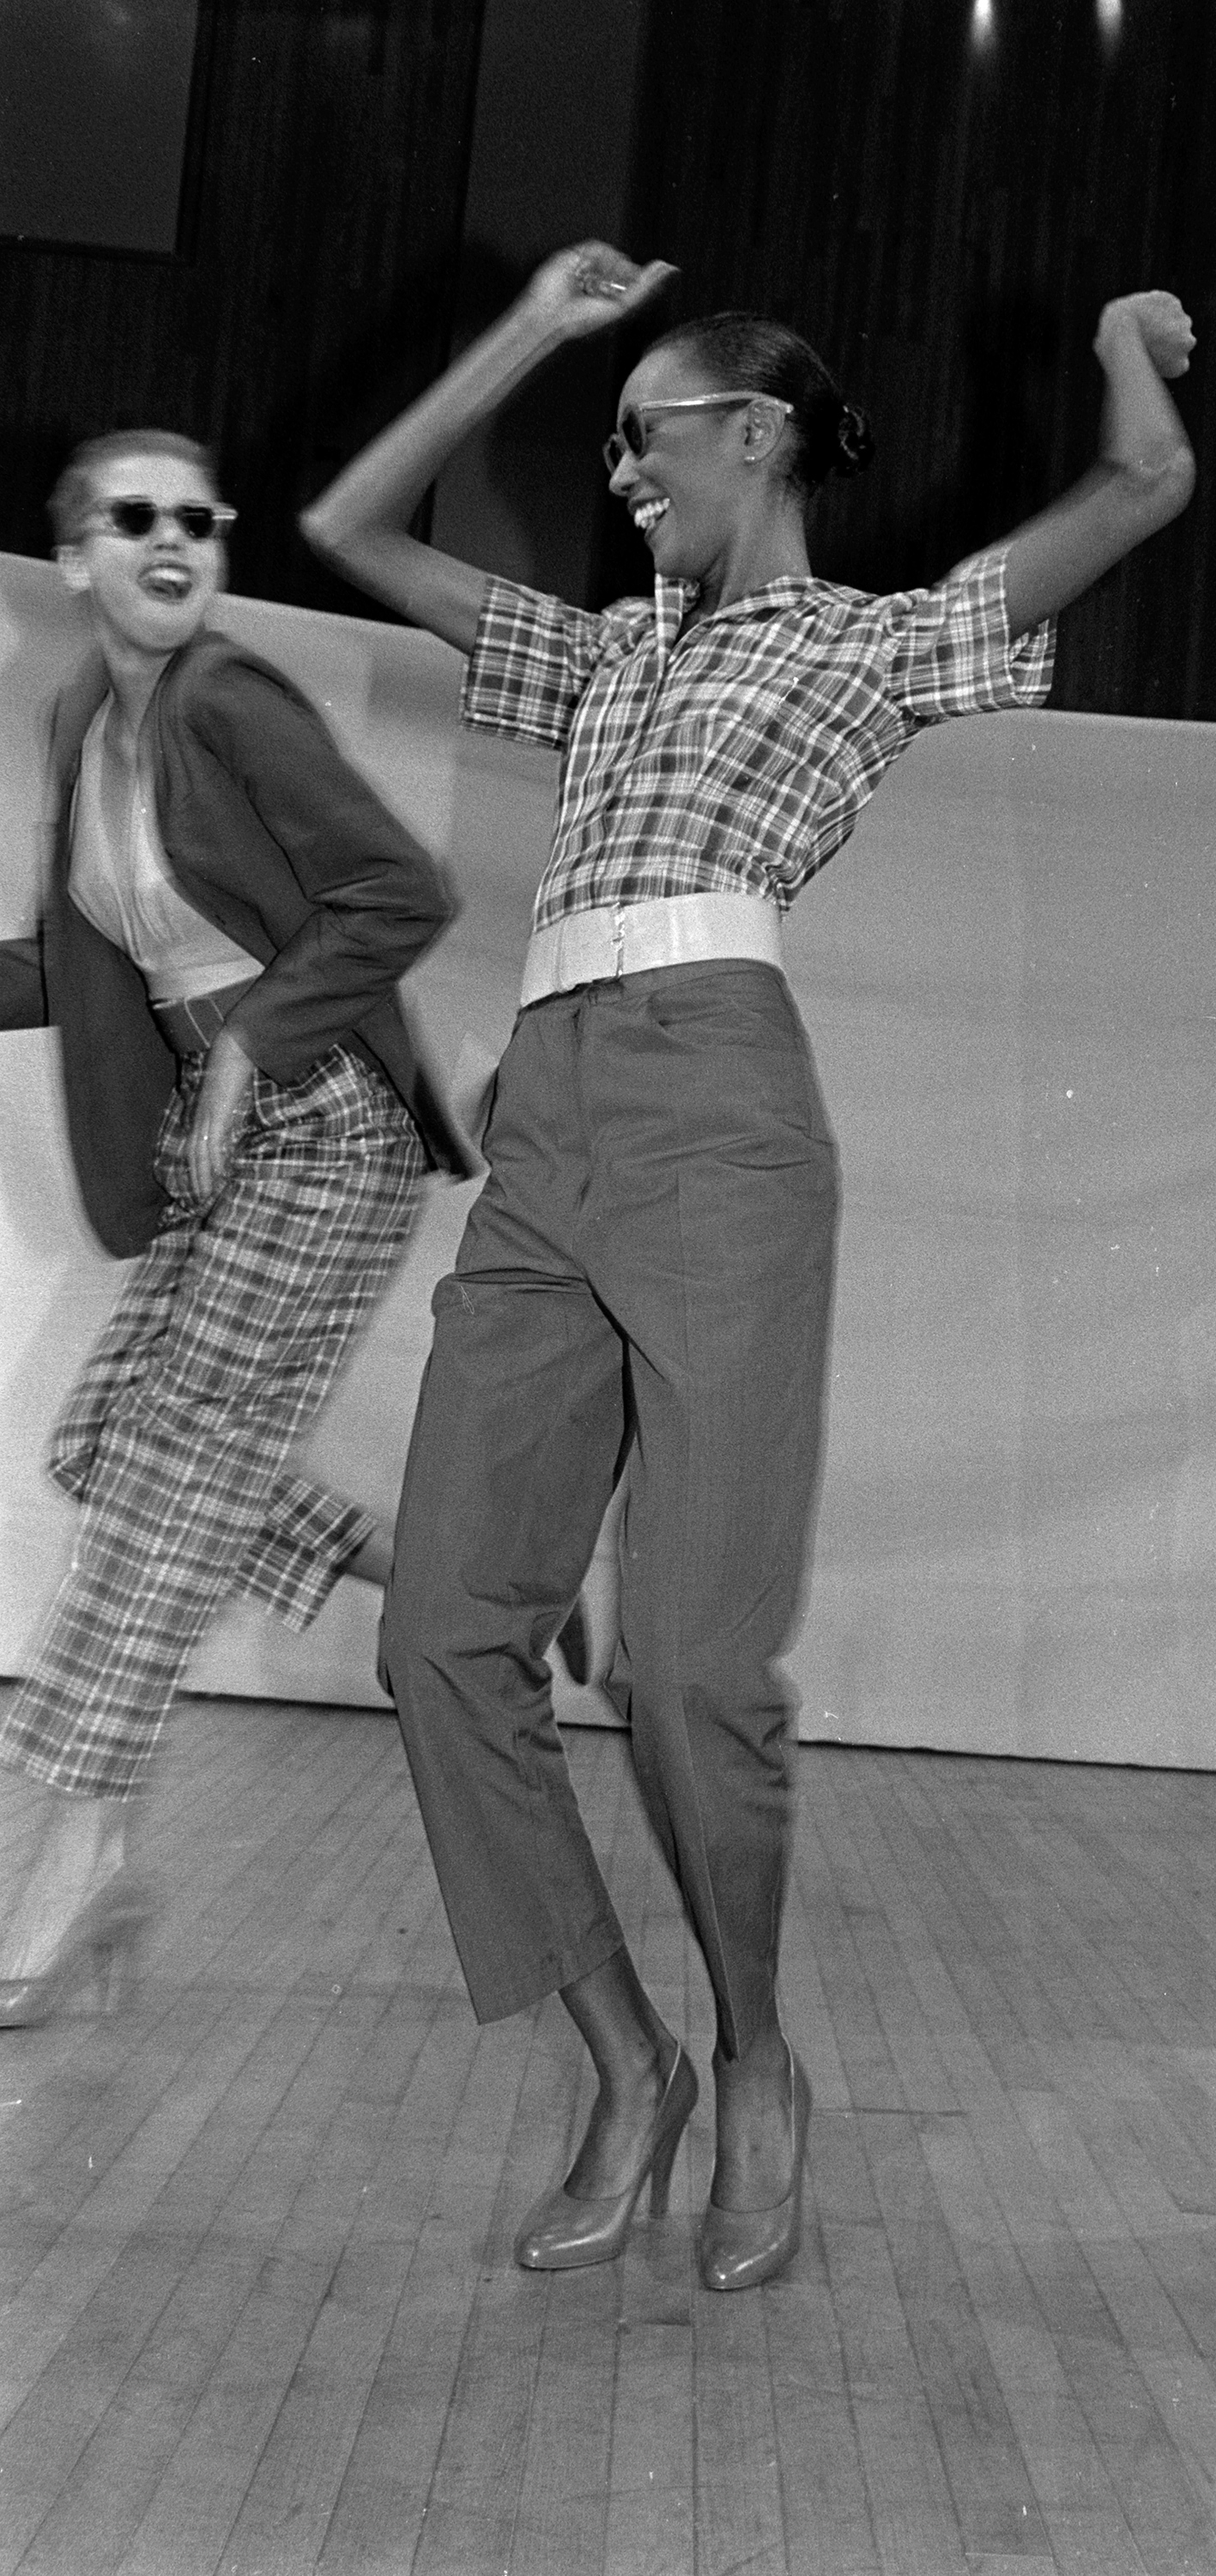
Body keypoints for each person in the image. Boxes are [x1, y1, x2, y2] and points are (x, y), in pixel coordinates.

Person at [299, 244, 1195, 2290]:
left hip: (716, 1105)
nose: (619, 472)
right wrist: (535, 335)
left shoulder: (868, 645)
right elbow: (348, 524)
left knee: (697, 1674)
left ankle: (759, 2055)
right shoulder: (604, 660)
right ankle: (626, 2060)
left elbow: (1136, 494)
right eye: (606, 444)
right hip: (548, 1118)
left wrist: (1119, 343)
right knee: (442, 1636)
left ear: (759, 433)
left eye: (646, 432)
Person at [0, 429, 472, 2026]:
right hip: (214, 1126)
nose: (170, 539)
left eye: (195, 517)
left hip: (322, 1122)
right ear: (75, 557)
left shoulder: (228, 700)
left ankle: (67, 1855)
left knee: (167, 1486)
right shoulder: (92, 716)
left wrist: (256, 1052)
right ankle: (439, 1573)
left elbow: (398, 892)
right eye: (132, 519)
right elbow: (79, 952)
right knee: (106, 1445)